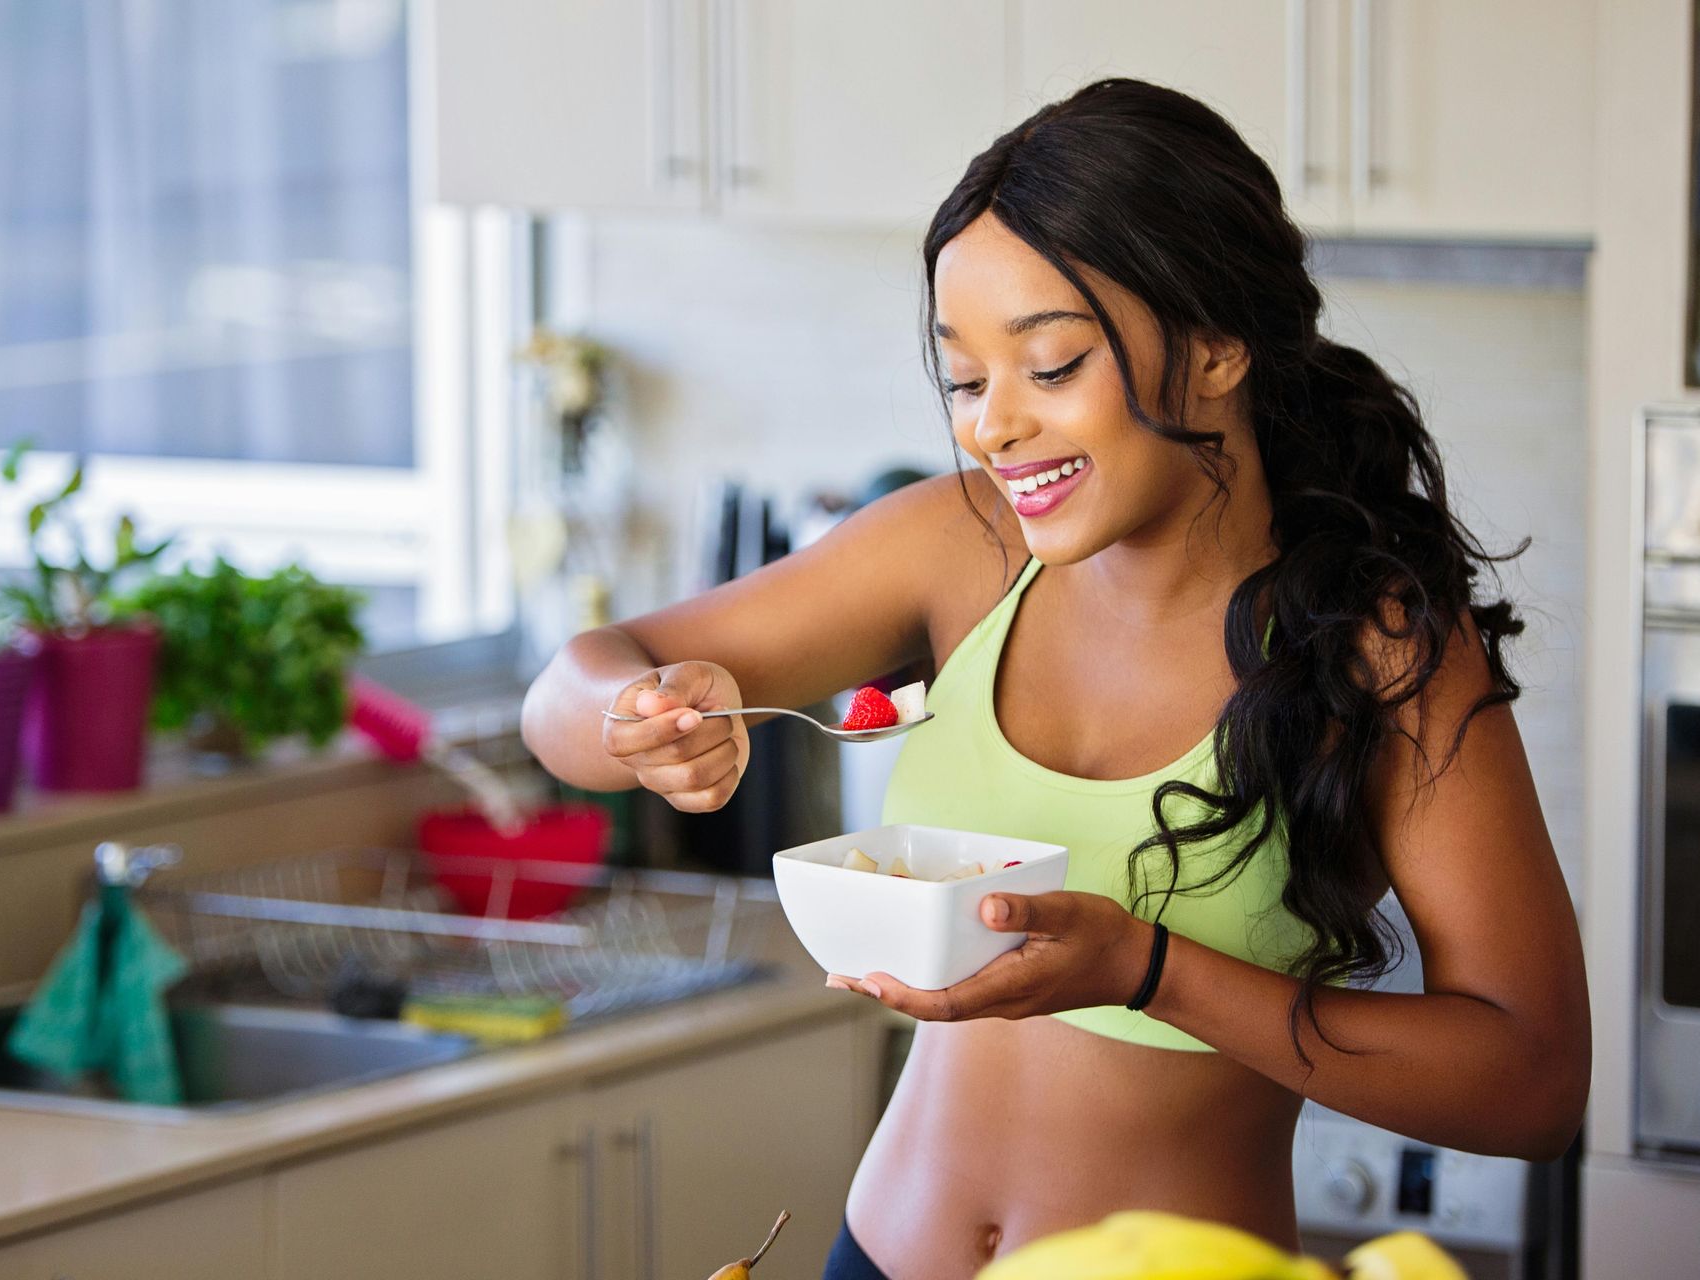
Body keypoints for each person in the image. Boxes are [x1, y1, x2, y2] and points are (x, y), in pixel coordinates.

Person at [521, 78, 1590, 1280]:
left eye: (1052, 364)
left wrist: (1148, 968)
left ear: (1219, 347)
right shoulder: (955, 547)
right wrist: (634, 720)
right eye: (968, 381)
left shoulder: (1375, 645)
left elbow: (1533, 1082)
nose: (991, 428)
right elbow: (568, 688)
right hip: (881, 1254)